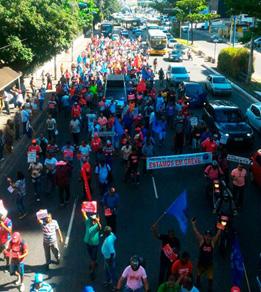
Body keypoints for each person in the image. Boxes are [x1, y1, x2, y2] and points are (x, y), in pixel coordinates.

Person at [191, 217, 221, 292]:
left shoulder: (213, 242)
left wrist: (220, 225)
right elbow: (196, 232)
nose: (208, 237)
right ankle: (198, 284)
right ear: (204, 236)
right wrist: (193, 224)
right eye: (207, 235)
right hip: (201, 263)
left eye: (209, 236)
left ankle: (210, 289)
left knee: (210, 277)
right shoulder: (201, 240)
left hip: (209, 264)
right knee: (198, 275)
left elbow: (218, 233)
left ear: (211, 237)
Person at [82, 212, 102, 280]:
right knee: (92, 256)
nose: (93, 220)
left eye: (95, 219)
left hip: (94, 245)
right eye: (92, 219)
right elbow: (84, 214)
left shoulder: (97, 225)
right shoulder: (88, 222)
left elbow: (100, 228)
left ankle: (92, 272)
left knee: (93, 258)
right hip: (88, 243)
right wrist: (83, 208)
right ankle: (94, 262)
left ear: (97, 219)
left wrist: (98, 222)